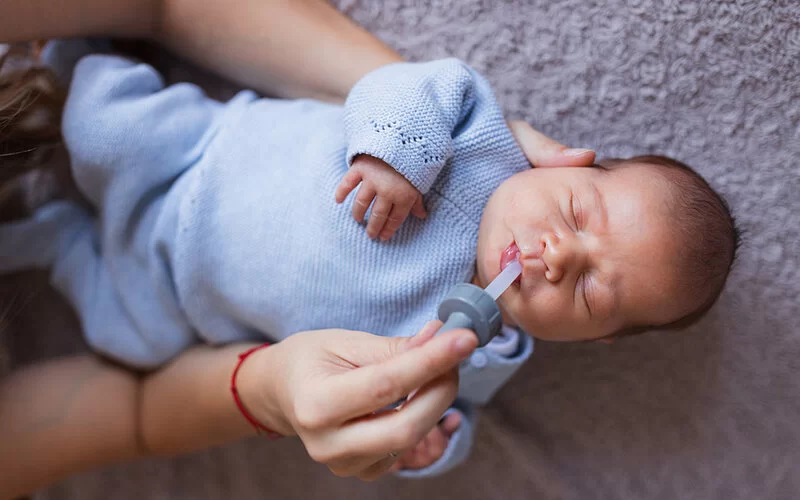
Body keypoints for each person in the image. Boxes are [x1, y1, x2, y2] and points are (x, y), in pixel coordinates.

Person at [0, 34, 739, 481]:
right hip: (198, 158)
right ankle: (68, 56)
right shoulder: (482, 148)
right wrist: (398, 154)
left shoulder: (482, 352)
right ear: (571, 165)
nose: (554, 256)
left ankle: (52, 240)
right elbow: (420, 83)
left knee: (126, 338)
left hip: (179, 294)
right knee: (105, 127)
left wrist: (428, 442)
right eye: (578, 214)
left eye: (587, 293)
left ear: (595, 340)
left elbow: (443, 410)